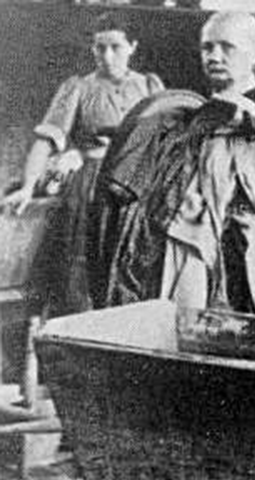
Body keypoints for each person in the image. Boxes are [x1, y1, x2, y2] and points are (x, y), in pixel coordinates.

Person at [99, 11, 255, 314]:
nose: (214, 56)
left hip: (233, 249)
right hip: (175, 239)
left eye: (227, 47)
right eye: (207, 47)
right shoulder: (194, 114)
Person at [1, 13, 163, 314]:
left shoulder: (150, 86)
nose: (107, 56)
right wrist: (27, 186)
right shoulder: (78, 88)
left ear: (133, 47)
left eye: (115, 47)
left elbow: (166, 139)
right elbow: (46, 139)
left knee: (132, 268)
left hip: (138, 189)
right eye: (99, 48)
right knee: (85, 274)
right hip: (92, 188)